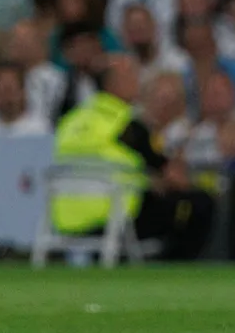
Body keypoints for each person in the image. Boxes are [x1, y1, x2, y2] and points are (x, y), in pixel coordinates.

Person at [52, 56, 215, 260]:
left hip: (66, 219)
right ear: (113, 85)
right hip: (116, 218)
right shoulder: (127, 124)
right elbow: (172, 176)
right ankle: (170, 266)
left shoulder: (70, 120)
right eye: (130, 76)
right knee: (200, 202)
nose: (138, 81)